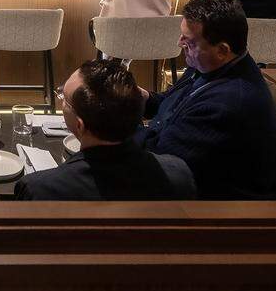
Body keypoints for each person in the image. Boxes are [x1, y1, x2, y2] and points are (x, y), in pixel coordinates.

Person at [135, 0, 276, 200]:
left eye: (190, 41)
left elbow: (160, 158)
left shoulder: (230, 103)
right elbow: (173, 106)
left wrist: (113, 124)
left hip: (216, 212)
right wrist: (143, 99)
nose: (180, 44)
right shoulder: (207, 65)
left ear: (222, 50)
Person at [14, 59, 195, 201]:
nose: (61, 101)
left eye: (64, 99)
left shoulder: (40, 189)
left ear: (80, 125)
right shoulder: (179, 174)